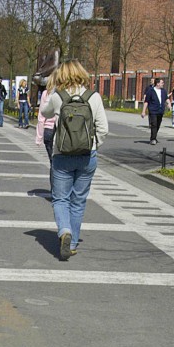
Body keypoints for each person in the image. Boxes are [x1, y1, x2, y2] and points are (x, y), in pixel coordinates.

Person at [41, 59, 109, 261]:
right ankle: (71, 243)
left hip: (62, 154)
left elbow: (44, 112)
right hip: (87, 156)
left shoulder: (57, 97)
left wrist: (52, 92)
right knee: (78, 200)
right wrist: (93, 145)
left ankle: (64, 231)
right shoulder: (93, 97)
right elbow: (104, 129)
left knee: (60, 199)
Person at [35, 75, 58, 167]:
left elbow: (41, 117)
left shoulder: (46, 93)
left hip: (48, 128)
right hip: (60, 128)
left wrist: (39, 137)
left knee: (52, 161)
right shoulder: (63, 94)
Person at [140, 77, 167, 144]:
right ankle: (153, 139)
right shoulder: (151, 91)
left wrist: (169, 104)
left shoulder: (163, 91)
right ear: (157, 83)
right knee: (154, 124)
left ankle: (154, 136)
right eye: (162, 83)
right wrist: (143, 111)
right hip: (153, 110)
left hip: (160, 110)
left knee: (158, 124)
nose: (163, 84)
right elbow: (146, 101)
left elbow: (166, 98)